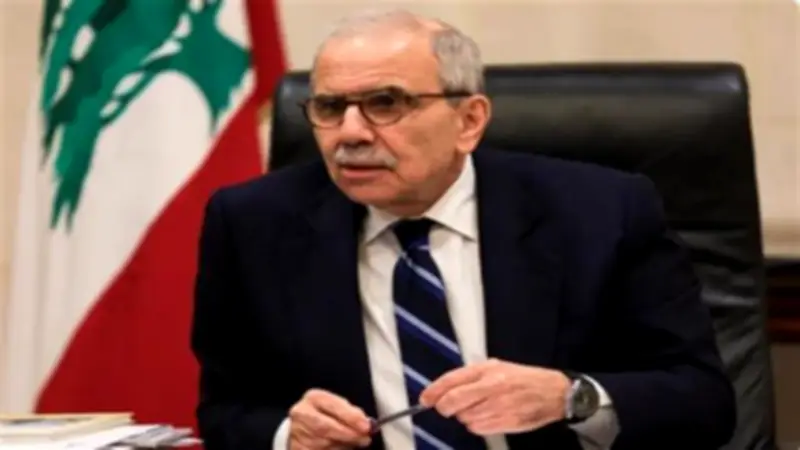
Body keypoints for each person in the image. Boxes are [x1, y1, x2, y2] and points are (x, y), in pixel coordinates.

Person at [191, 8, 736, 450]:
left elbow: (702, 401)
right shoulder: (253, 224)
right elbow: (228, 411)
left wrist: (570, 397)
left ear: (469, 120)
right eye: (330, 107)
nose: (350, 133)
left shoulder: (601, 214)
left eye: (385, 103)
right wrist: (289, 436)